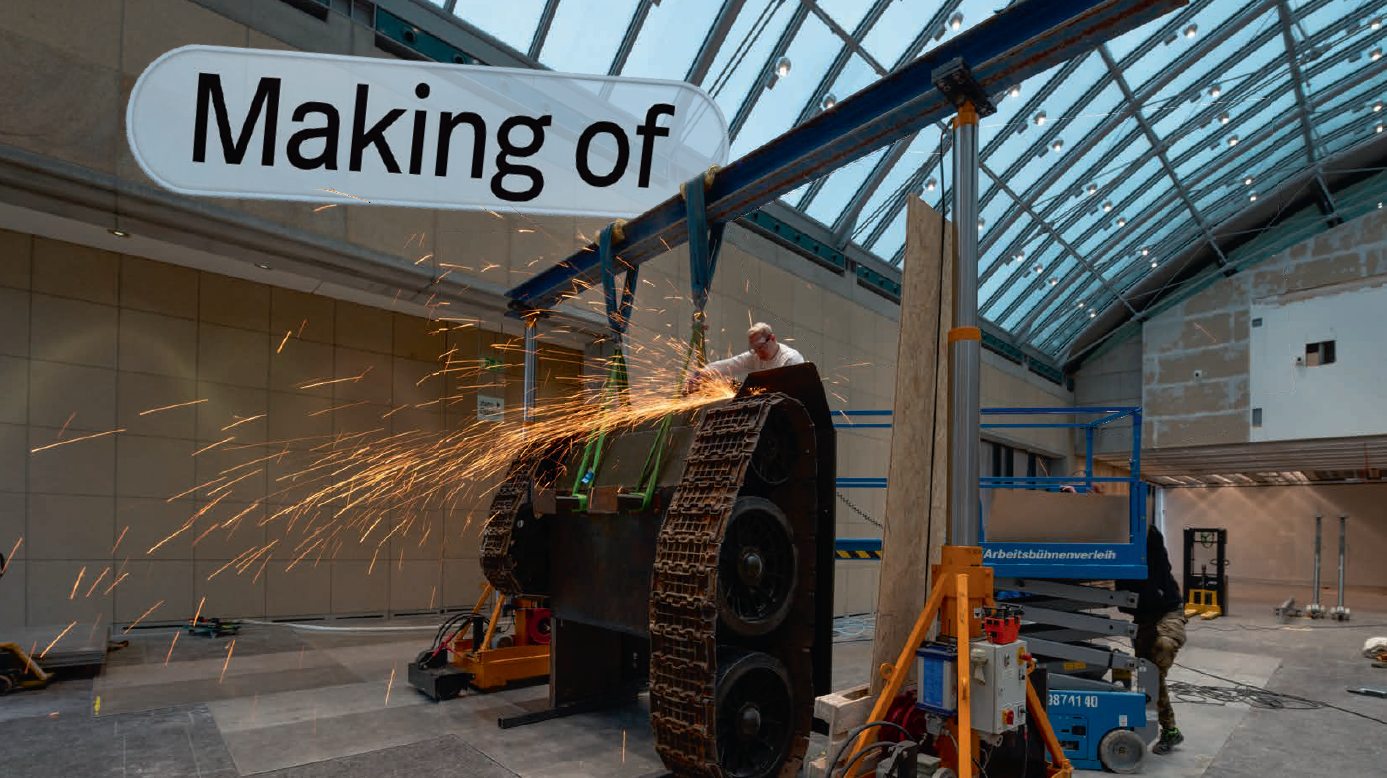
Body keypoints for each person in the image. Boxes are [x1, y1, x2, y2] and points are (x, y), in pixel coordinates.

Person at [1117, 523, 1188, 756]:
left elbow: (1148, 530)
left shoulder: (1149, 538)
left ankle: (1167, 729)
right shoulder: (1117, 550)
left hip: (1169, 612)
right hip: (1143, 619)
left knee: (1162, 649)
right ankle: (1170, 731)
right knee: (1150, 677)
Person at [684, 322, 804, 391]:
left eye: (761, 347)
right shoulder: (755, 355)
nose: (758, 353)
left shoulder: (790, 360)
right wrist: (703, 372)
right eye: (755, 350)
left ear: (772, 338)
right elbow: (731, 364)